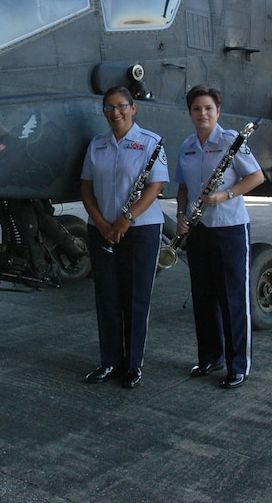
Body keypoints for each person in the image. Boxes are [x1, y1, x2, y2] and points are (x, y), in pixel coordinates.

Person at [174, 85, 265, 389]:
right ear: (190, 113)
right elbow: (184, 186)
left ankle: (238, 365)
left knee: (233, 298)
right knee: (203, 297)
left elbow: (256, 176)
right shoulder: (187, 145)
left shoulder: (231, 142)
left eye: (208, 108)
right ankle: (210, 356)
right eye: (197, 109)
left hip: (229, 227)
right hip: (198, 230)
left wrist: (226, 194)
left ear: (218, 111)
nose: (203, 114)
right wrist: (181, 215)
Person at [80, 86, 168, 389]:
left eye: (121, 106)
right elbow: (86, 188)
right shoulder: (97, 145)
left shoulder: (150, 142)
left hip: (140, 229)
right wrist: (103, 224)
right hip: (102, 228)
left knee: (136, 297)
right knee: (106, 296)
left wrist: (125, 219)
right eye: (108, 107)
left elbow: (155, 187)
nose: (114, 113)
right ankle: (109, 361)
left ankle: (133, 365)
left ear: (133, 109)